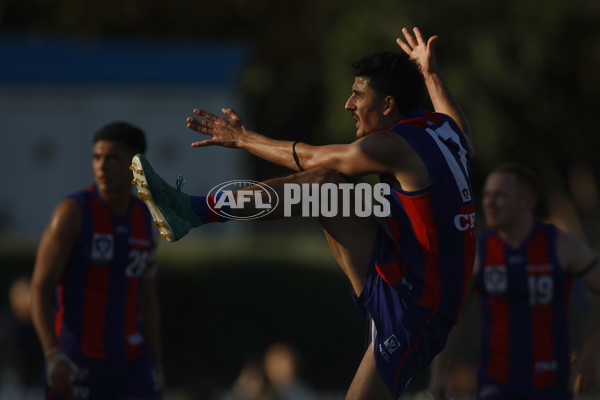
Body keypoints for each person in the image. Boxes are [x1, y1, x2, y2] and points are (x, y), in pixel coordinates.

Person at [131, 27, 474, 399]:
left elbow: (309, 155)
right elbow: (460, 127)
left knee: (322, 175)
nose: (348, 104)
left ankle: (191, 211)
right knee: (324, 183)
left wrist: (243, 139)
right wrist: (431, 73)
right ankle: (192, 211)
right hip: (397, 272)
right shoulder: (446, 131)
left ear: (388, 105)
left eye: (358, 94)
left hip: (418, 311)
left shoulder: (397, 146)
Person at [429, 162, 600, 400]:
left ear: (526, 200)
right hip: (497, 384)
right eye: (486, 195)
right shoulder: (478, 253)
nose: (488, 202)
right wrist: (438, 371)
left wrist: (591, 352)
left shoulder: (562, 246)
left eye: (499, 195)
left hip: (552, 384)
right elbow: (451, 317)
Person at [30, 122, 163, 399]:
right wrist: (52, 355)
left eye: (112, 158)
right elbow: (40, 289)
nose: (101, 166)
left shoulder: (145, 218)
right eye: (97, 157)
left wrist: (157, 366)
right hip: (78, 360)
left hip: (132, 362)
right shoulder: (72, 213)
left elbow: (146, 300)